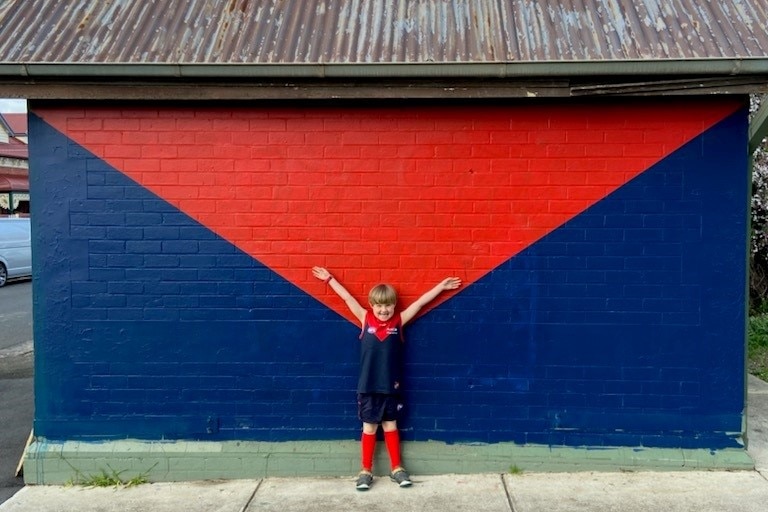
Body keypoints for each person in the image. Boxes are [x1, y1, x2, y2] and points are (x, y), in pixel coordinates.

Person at [311, 266, 461, 490]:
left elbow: (419, 303)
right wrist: (329, 279)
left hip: (391, 386)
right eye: (379, 305)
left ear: (394, 305)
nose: (384, 310)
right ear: (372, 306)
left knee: (390, 425)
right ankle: (365, 471)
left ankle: (396, 468)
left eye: (388, 305)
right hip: (368, 386)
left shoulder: (398, 321)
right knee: (369, 428)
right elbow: (347, 298)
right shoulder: (364, 318)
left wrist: (441, 287)